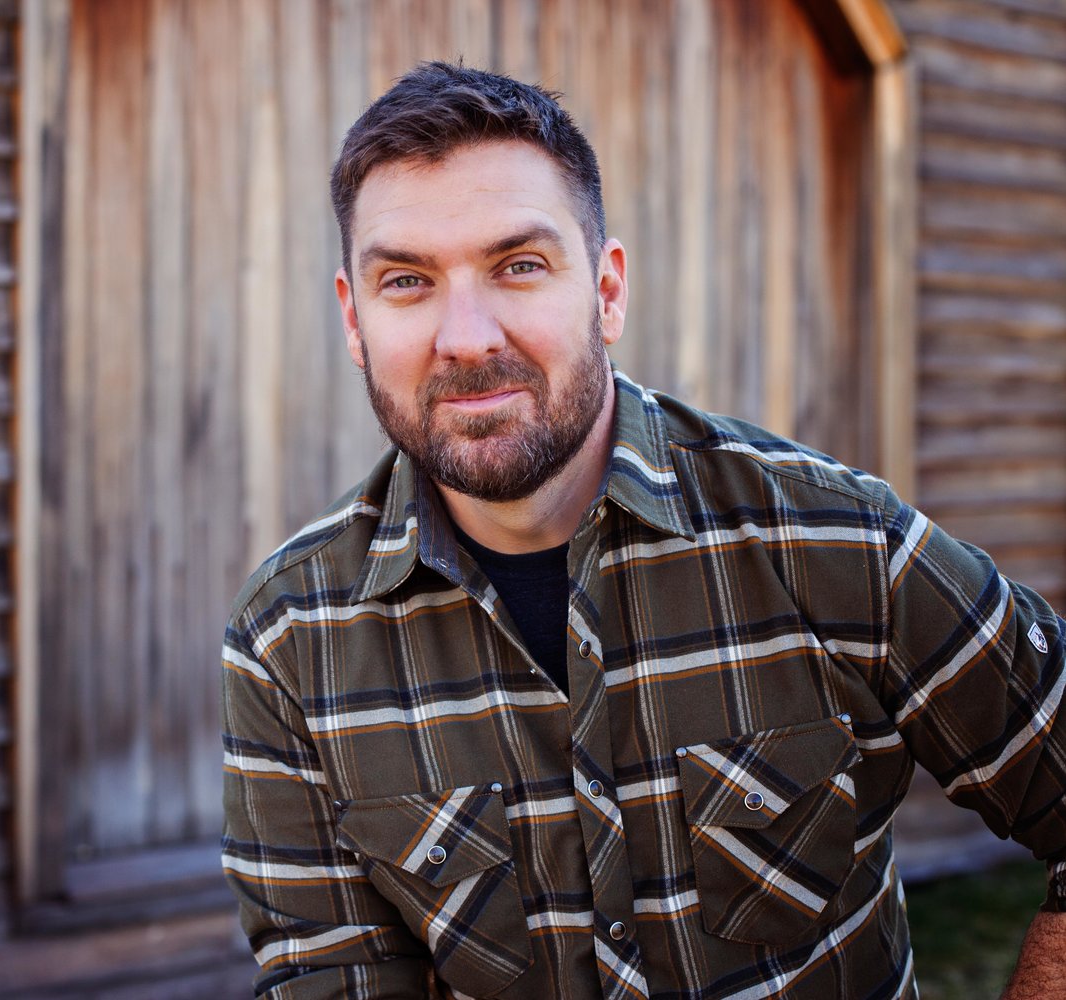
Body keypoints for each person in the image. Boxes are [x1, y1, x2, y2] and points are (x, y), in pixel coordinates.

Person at [220, 61, 1066, 999]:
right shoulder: (290, 643)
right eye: (407, 280)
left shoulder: (836, 542)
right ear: (355, 319)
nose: (466, 336)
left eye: (519, 265)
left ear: (608, 290)